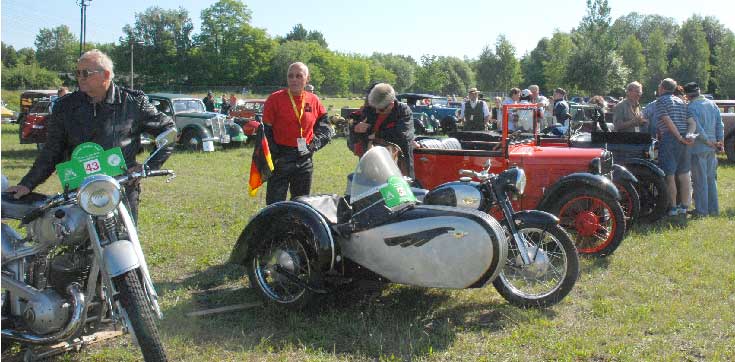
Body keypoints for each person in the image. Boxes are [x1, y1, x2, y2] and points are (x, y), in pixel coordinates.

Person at [5, 49, 175, 221]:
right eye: (77, 73)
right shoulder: (64, 107)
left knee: (124, 242)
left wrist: (147, 166)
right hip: (78, 192)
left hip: (121, 188)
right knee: (79, 244)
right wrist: (27, 184)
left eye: (86, 73)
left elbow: (168, 130)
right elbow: (51, 150)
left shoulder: (133, 103)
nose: (80, 77)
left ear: (106, 75)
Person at [262, 62, 333, 205]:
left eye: (299, 76)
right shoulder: (274, 99)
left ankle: (296, 227)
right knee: (275, 203)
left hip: (304, 157)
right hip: (281, 158)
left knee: (301, 203)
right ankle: (274, 227)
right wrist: (276, 156)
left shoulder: (314, 100)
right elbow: (265, 132)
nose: (294, 79)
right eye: (291, 76)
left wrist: (314, 144)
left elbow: (325, 126)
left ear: (307, 79)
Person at [352, 83, 415, 179]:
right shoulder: (370, 109)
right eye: (375, 108)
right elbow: (358, 136)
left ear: (391, 104)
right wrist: (357, 128)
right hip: (372, 162)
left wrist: (374, 134)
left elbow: (401, 135)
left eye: (380, 109)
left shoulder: (403, 111)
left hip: (399, 164)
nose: (376, 111)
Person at [654, 78, 696, 216]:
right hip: (685, 139)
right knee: (684, 174)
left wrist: (679, 138)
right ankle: (684, 206)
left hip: (670, 138)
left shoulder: (661, 101)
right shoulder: (682, 101)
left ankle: (672, 208)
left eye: (659, 86)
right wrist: (688, 136)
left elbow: (667, 121)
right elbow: (692, 122)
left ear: (662, 88)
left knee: (670, 175)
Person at [684, 82, 724, 217]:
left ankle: (702, 211)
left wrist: (708, 141)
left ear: (688, 95)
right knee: (711, 179)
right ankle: (714, 209)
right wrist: (720, 142)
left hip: (699, 147)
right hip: (712, 147)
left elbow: (697, 129)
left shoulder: (691, 107)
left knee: (700, 180)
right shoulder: (713, 104)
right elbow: (720, 124)